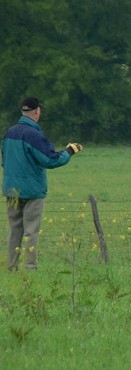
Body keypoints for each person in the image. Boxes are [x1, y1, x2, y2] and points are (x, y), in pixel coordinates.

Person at [1, 97, 83, 271]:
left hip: (12, 190)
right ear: (37, 111)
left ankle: (11, 267)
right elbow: (50, 160)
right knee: (31, 230)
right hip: (32, 191)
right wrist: (69, 151)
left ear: (22, 111)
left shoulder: (9, 133)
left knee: (15, 229)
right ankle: (30, 267)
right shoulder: (33, 135)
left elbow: (4, 160)